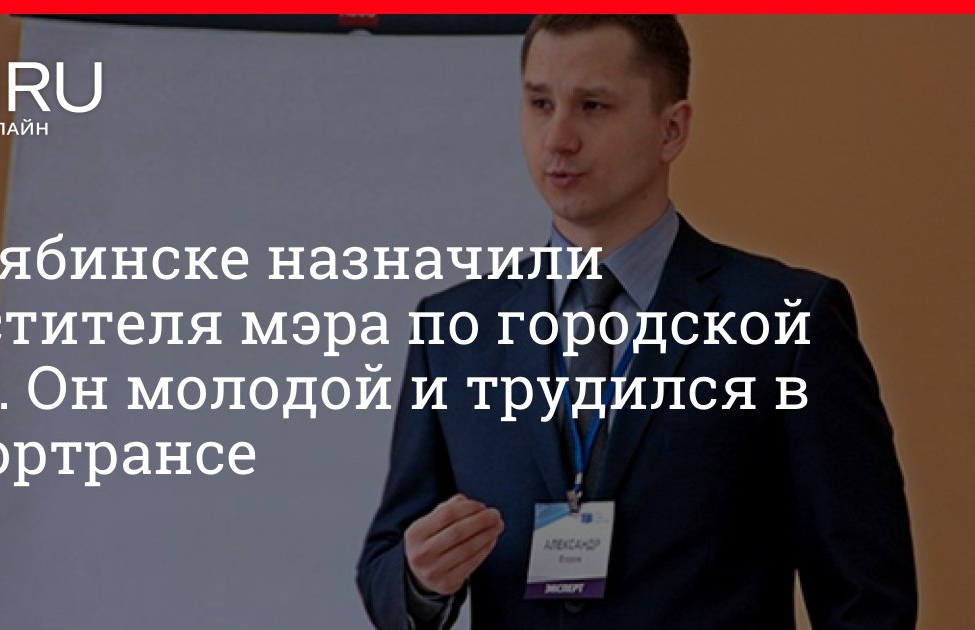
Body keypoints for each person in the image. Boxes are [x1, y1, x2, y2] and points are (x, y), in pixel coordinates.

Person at [357, 15, 916, 630]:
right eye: (540, 104)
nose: (558, 138)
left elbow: (867, 600)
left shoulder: (788, 321)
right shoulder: (454, 329)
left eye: (593, 106)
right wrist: (419, 580)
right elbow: (385, 565)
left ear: (671, 129)